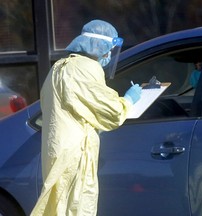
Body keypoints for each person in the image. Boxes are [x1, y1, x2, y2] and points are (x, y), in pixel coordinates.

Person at [30, 20, 142, 216]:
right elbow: (112, 112)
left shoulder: (59, 67)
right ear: (101, 46)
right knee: (77, 207)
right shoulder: (84, 68)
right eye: (109, 50)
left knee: (58, 207)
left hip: (58, 151)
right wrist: (129, 100)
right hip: (76, 155)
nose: (109, 56)